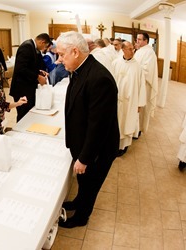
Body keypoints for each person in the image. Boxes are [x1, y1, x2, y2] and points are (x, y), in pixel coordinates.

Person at [56, 31, 119, 228]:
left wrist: (84, 158)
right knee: (84, 182)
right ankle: (78, 201)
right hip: (83, 142)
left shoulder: (99, 78)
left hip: (98, 150)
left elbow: (98, 126)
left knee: (91, 184)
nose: (58, 60)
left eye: (61, 54)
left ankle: (81, 217)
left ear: (75, 51)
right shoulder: (80, 68)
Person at [112, 41, 146, 156]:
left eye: (133, 49)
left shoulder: (137, 67)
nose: (133, 51)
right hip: (117, 100)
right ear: (123, 50)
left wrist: (139, 104)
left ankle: (123, 146)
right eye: (130, 49)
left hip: (130, 101)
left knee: (127, 122)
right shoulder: (115, 63)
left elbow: (142, 86)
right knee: (116, 122)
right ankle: (114, 144)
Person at [9, 33, 52, 122]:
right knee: (23, 115)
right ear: (42, 42)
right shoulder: (27, 47)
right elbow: (21, 69)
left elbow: (30, 66)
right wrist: (37, 77)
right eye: (45, 46)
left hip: (28, 87)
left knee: (29, 113)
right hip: (21, 89)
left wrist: (40, 72)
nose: (44, 49)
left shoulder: (33, 47)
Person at [134, 32, 158, 137]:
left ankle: (139, 129)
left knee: (142, 108)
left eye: (139, 39)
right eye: (137, 39)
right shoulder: (140, 51)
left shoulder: (149, 53)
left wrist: (134, 71)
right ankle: (134, 128)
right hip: (137, 82)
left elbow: (147, 70)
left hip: (144, 84)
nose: (137, 41)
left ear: (146, 41)